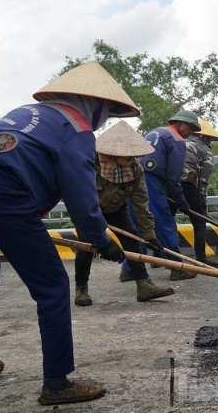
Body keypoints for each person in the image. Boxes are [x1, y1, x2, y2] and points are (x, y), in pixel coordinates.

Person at [0, 61, 135, 406]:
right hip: (2, 191)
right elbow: (82, 198)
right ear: (91, 104)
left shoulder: (27, 113)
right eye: (105, 111)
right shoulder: (75, 129)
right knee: (51, 286)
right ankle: (57, 383)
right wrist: (102, 240)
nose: (103, 118)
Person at [74, 120, 174, 305]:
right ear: (114, 153)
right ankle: (81, 289)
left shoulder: (135, 170)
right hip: (87, 209)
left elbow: (140, 203)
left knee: (133, 240)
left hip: (116, 208)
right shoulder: (90, 163)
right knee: (86, 247)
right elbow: (74, 192)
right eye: (128, 156)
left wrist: (150, 235)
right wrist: (100, 235)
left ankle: (144, 285)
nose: (132, 159)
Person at [123, 110, 201, 281]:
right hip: (150, 180)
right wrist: (182, 202)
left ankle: (130, 268)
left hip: (131, 175)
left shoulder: (155, 132)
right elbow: (174, 179)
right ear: (181, 124)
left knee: (138, 223)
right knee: (165, 222)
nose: (190, 133)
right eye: (191, 128)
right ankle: (177, 267)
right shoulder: (177, 140)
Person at [178, 119, 218, 266]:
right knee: (199, 221)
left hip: (168, 183)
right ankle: (201, 257)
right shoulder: (205, 151)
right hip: (187, 182)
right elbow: (203, 181)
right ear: (205, 137)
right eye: (209, 138)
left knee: (166, 219)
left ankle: (161, 257)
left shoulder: (179, 142)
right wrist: (202, 203)